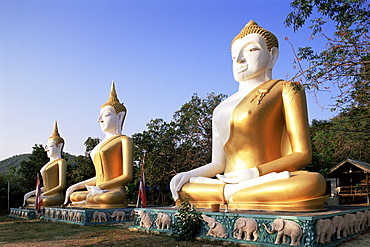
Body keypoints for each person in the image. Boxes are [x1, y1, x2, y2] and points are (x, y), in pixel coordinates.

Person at [170, 20, 326, 211]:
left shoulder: (285, 89)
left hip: (263, 179)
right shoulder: (220, 108)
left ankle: (228, 195)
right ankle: (232, 193)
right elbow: (218, 163)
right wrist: (188, 174)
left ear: (273, 56)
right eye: (234, 55)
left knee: (311, 183)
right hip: (230, 182)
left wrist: (255, 173)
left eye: (251, 50)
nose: (239, 59)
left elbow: (302, 154)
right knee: (186, 188)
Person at [64, 81, 133, 208]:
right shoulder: (100, 145)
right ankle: (87, 199)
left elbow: (127, 176)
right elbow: (99, 176)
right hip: (97, 191)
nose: (99, 119)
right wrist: (76, 186)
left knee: (108, 197)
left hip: (114, 191)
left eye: (106, 115)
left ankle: (88, 200)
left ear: (120, 117)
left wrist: (100, 187)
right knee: (75, 195)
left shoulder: (124, 140)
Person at [23, 121, 67, 207]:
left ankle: (38, 203)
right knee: (28, 199)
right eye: (46, 147)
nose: (46, 149)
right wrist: (33, 193)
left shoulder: (61, 162)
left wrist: (42, 195)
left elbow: (61, 186)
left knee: (44, 201)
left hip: (56, 196)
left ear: (60, 146)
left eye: (50, 146)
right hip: (46, 194)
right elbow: (46, 187)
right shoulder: (47, 164)